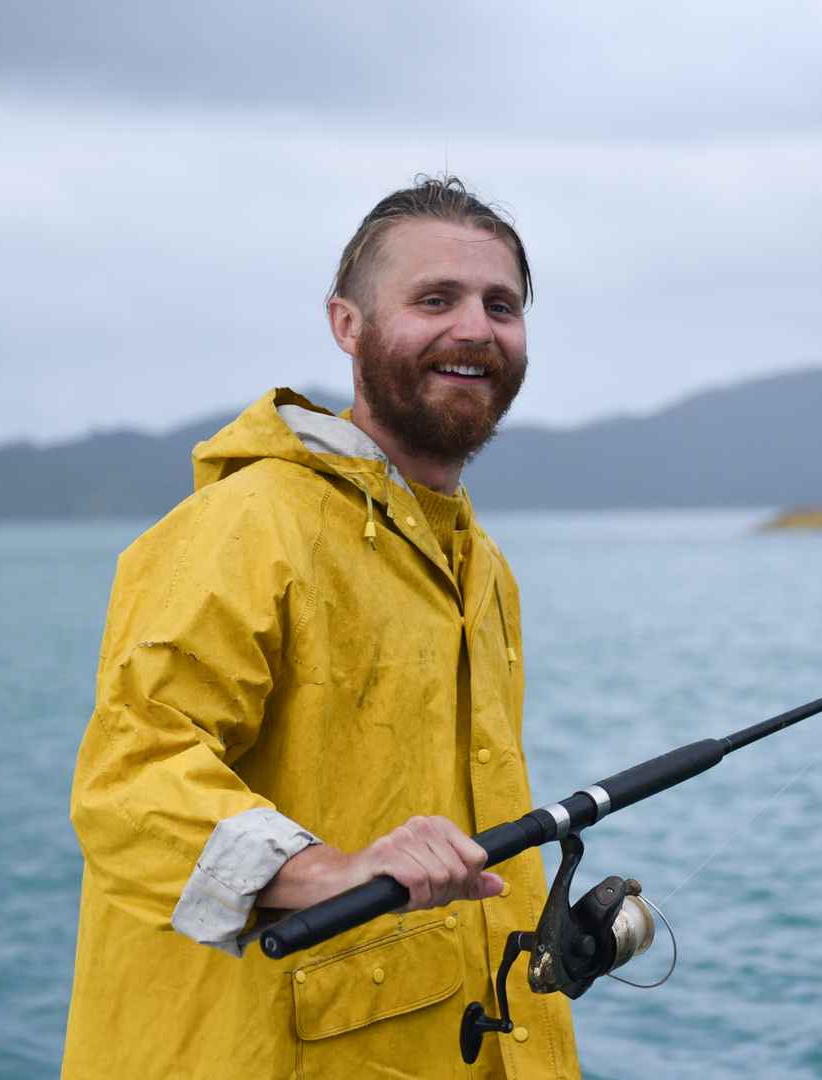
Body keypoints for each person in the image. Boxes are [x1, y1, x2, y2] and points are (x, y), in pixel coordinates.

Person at [60, 176, 580, 1078]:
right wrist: (322, 872)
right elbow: (129, 785)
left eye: (501, 305)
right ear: (347, 326)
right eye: (434, 299)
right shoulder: (245, 523)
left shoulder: (482, 567)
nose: (474, 329)